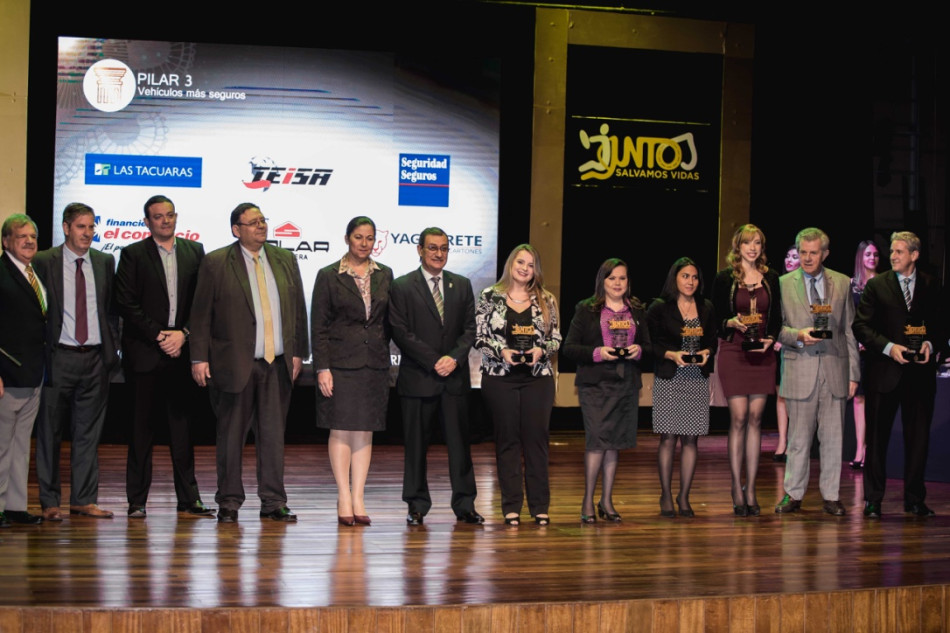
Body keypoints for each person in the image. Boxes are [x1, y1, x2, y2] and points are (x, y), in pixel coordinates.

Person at [190, 203, 308, 523]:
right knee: (231, 438)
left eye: (262, 220)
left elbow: (297, 310)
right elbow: (200, 315)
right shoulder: (216, 262)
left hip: (277, 364)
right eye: (253, 222)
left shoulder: (285, 259)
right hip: (233, 364)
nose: (261, 226)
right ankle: (229, 501)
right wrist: (199, 357)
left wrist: (299, 352)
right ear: (236, 229)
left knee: (273, 437)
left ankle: (273, 502)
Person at [114, 195, 213, 518]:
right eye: (158, 217)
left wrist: (183, 334)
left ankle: (189, 499)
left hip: (181, 353)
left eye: (170, 215)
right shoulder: (132, 254)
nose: (165, 221)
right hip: (145, 354)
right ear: (147, 222)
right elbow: (125, 303)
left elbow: (202, 302)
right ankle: (137, 501)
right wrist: (159, 335)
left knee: (182, 432)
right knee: (140, 432)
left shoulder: (194, 251)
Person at [32, 202, 120, 521]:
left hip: (95, 359)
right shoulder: (44, 261)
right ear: (66, 228)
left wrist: (113, 347)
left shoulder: (104, 261)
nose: (88, 233)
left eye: (92, 227)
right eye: (81, 226)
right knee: (49, 433)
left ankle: (83, 499)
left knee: (88, 435)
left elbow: (111, 310)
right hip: (58, 358)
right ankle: (49, 501)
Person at [389, 228, 481, 526]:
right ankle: (416, 505)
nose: (438, 253)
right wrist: (433, 361)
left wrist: (453, 358)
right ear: (419, 250)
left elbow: (470, 329)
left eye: (443, 248)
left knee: (460, 447)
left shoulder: (462, 284)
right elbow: (400, 332)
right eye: (432, 248)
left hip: (454, 379)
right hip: (418, 378)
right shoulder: (402, 286)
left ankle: (465, 505)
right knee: (416, 447)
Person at [853, 231, 946, 518]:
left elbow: (942, 325)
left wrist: (931, 344)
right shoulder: (877, 285)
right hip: (884, 374)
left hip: (920, 376)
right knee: (876, 440)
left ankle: (915, 499)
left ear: (914, 255)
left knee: (918, 441)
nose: (892, 256)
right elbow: (861, 326)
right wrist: (889, 347)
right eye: (891, 251)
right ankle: (873, 500)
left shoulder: (932, 284)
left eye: (899, 251)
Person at [312, 216, 393, 526]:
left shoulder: (385, 274)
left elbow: (388, 322)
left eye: (369, 238)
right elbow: (318, 326)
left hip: (374, 363)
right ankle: (343, 495)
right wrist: (322, 367)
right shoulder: (329, 275)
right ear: (347, 238)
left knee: (365, 430)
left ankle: (358, 496)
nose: (364, 243)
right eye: (358, 237)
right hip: (340, 363)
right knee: (341, 428)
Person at [774, 228, 860, 516]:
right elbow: (775, 328)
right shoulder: (783, 284)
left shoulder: (842, 282)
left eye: (813, 253)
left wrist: (853, 374)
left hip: (835, 369)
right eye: (803, 252)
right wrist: (798, 335)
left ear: (825, 254)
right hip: (800, 367)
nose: (807, 258)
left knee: (833, 439)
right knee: (798, 439)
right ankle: (793, 494)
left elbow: (849, 331)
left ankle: (831, 496)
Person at [475, 244, 561, 526]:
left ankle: (540, 506)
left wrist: (542, 350)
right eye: (520, 262)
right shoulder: (490, 296)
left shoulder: (547, 299)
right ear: (511, 264)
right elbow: (479, 337)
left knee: (537, 441)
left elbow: (556, 337)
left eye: (531, 264)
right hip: (500, 378)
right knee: (507, 441)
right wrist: (501, 351)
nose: (525, 268)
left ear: (537, 270)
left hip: (537, 378)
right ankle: (511, 507)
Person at [563, 258, 649, 523]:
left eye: (622, 278)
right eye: (612, 278)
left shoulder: (637, 310)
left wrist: (639, 350)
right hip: (595, 385)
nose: (617, 283)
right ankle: (587, 501)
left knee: (615, 443)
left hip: (626, 383)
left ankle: (607, 501)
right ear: (602, 280)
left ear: (628, 282)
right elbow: (569, 348)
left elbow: (648, 346)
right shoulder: (586, 309)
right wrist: (598, 353)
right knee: (598, 442)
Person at [712, 224, 781, 516]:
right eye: (747, 243)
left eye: (757, 243)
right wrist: (729, 323)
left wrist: (771, 339)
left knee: (756, 418)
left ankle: (751, 488)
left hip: (762, 354)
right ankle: (735, 486)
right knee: (739, 417)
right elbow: (715, 316)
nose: (752, 248)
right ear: (737, 247)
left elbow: (777, 317)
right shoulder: (724, 278)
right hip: (734, 352)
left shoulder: (772, 278)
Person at [646, 257, 716, 518]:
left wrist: (707, 352)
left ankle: (684, 495)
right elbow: (650, 344)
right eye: (685, 276)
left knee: (691, 439)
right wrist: (671, 355)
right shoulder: (659, 307)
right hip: (669, 378)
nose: (690, 281)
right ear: (674, 278)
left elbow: (712, 341)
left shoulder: (706, 307)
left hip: (696, 379)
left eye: (695, 277)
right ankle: (665, 494)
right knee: (668, 438)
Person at [0, 214, 47, 527]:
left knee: (20, 444)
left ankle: (15, 506)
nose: (29, 241)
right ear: (6, 242)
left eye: (33, 236)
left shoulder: (33, 272)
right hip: (8, 375)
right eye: (21, 236)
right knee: (1, 444)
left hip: (34, 374)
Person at [848, 240, 879, 469]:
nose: (872, 258)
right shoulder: (852, 286)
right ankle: (860, 448)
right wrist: (857, 341)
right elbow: (848, 319)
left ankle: (872, 449)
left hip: (877, 348)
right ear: (861, 257)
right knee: (859, 399)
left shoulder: (884, 282)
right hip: (857, 349)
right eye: (868, 254)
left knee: (875, 399)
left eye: (876, 254)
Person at [772, 244, 801, 463]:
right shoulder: (778, 284)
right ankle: (782, 441)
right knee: (781, 395)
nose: (790, 260)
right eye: (788, 256)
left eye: (795, 256)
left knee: (795, 397)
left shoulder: (805, 287)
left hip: (799, 346)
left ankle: (794, 441)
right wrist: (776, 337)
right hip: (778, 346)